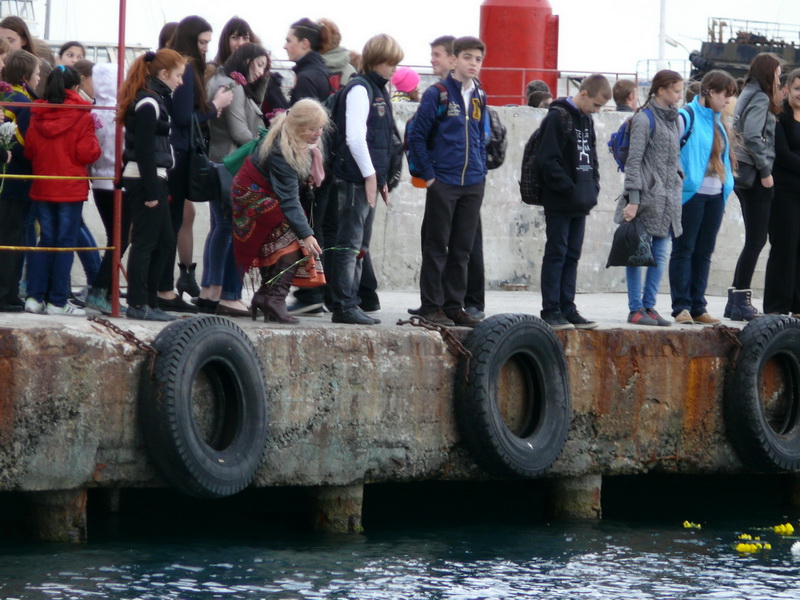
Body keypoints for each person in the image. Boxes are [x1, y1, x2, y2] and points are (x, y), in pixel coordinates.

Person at [408, 36, 488, 327]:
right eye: (468, 57)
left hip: (472, 183)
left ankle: (455, 305)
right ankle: (431, 306)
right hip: (444, 181)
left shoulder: (479, 95)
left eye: (478, 59)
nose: (473, 64)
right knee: (436, 246)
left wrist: (481, 174)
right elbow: (417, 136)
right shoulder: (438, 93)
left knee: (462, 249)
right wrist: (430, 178)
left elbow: (480, 137)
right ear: (454, 60)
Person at [158, 15, 233, 312]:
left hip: (173, 154)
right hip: (178, 155)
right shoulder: (186, 69)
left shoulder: (181, 66)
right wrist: (215, 107)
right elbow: (182, 118)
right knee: (172, 222)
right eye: (202, 42)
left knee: (171, 222)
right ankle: (163, 291)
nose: (205, 49)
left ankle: (162, 289)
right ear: (191, 39)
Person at [329, 34, 403, 325]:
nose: (395, 68)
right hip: (354, 178)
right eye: (390, 62)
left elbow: (382, 140)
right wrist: (371, 176)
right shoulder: (361, 89)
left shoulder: (380, 90)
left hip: (368, 177)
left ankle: (352, 300)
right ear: (376, 61)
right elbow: (355, 138)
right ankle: (343, 304)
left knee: (360, 245)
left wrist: (381, 178)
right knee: (349, 243)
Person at [230, 98, 325, 324]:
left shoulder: (295, 144)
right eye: (312, 128)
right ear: (298, 128)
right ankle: (274, 298)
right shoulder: (282, 152)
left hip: (264, 194)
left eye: (320, 128)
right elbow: (289, 200)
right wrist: (307, 233)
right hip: (251, 195)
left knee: (291, 238)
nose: (317, 133)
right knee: (294, 240)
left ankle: (266, 296)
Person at [23, 65, 101, 316]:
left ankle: (34, 298)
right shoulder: (82, 114)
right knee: (65, 243)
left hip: (43, 185)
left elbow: (30, 151)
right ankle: (58, 301)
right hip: (69, 187)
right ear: (76, 87)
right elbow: (87, 153)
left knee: (46, 240)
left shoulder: (38, 113)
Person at [199, 42, 270, 317]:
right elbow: (240, 130)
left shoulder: (219, 79)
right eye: (260, 65)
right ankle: (224, 295)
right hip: (231, 163)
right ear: (246, 60)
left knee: (219, 227)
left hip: (216, 160)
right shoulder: (233, 85)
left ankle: (209, 290)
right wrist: (266, 146)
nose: (262, 71)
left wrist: (260, 81)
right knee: (229, 229)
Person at [536, 74, 611, 330]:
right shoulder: (557, 117)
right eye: (597, 105)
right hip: (560, 200)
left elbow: (592, 159)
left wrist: (593, 187)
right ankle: (551, 309)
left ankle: (568, 307)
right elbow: (547, 161)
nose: (598, 111)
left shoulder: (586, 119)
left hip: (580, 201)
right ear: (584, 95)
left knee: (572, 255)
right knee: (557, 252)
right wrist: (570, 189)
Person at [118, 49, 186, 321]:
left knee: (166, 243)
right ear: (164, 74)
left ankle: (149, 301)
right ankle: (138, 304)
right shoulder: (149, 103)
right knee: (145, 243)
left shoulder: (154, 99)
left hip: (153, 177)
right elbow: (144, 149)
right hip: (146, 178)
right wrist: (150, 190)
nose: (181, 82)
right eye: (178, 76)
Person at [616, 70, 684, 327]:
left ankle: (649, 306)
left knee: (660, 255)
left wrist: (678, 178)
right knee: (637, 254)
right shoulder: (644, 119)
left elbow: (672, 159)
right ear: (661, 90)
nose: (680, 95)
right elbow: (634, 162)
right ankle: (635, 308)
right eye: (676, 90)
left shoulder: (673, 120)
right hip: (645, 200)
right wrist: (633, 199)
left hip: (667, 200)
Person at [669, 70, 737, 325]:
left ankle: (698, 306)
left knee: (704, 251)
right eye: (724, 95)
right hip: (691, 194)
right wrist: (682, 181)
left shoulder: (718, 122)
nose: (727, 100)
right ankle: (681, 307)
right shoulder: (686, 116)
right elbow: (669, 152)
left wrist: (726, 185)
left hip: (715, 194)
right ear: (709, 91)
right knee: (684, 249)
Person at [729, 52, 782, 321]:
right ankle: (741, 300)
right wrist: (765, 170)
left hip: (742, 173)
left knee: (753, 239)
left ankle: (734, 300)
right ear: (768, 73)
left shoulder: (746, 93)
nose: (779, 78)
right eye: (777, 73)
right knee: (757, 240)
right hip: (756, 174)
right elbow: (752, 134)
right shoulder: (760, 97)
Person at [86, 63, 131, 315]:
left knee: (115, 237)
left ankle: (105, 290)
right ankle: (99, 290)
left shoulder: (94, 111)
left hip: (99, 181)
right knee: (120, 239)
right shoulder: (119, 112)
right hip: (119, 181)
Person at [0, 49, 39, 312]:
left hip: (7, 177)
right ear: (26, 76)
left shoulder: (4, 95)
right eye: (37, 74)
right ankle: (7, 294)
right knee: (11, 238)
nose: (39, 79)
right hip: (15, 180)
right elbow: (26, 146)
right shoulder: (23, 101)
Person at [764, 68, 800, 315]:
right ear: (787, 89)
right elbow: (783, 154)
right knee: (784, 247)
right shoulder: (780, 116)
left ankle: (797, 305)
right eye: (798, 89)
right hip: (785, 193)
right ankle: (777, 306)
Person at [284, 18, 332, 104]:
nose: (285, 46)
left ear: (304, 44)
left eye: (288, 41)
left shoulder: (306, 78)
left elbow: (303, 116)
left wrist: (274, 91)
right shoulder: (322, 71)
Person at [0, 17, 50, 98]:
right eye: (1, 40)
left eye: (11, 40)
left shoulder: (41, 67)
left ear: (24, 41)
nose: (6, 45)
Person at [206, 16, 258, 81]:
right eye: (235, 38)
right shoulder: (212, 70)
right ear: (225, 41)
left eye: (245, 38)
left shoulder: (253, 73)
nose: (241, 43)